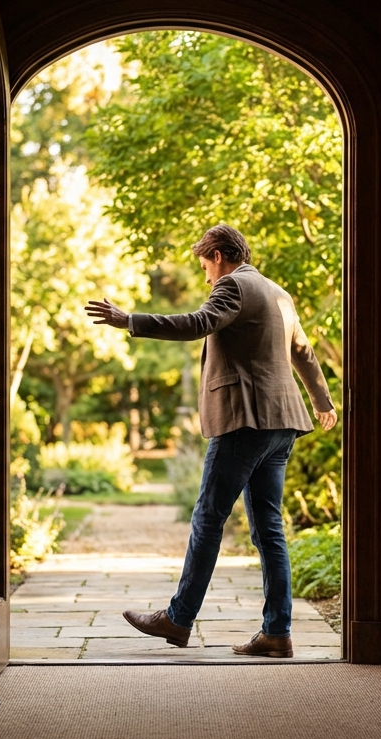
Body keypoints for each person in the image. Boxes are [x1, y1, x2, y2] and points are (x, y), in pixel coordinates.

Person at [84, 224, 337, 658]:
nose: (206, 278)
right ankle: (277, 632)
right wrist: (322, 401)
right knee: (269, 530)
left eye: (205, 266)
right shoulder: (278, 292)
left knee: (208, 517)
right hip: (282, 425)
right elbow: (303, 352)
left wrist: (131, 320)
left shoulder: (234, 287)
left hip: (246, 422)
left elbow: (199, 322)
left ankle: (178, 619)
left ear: (219, 254)